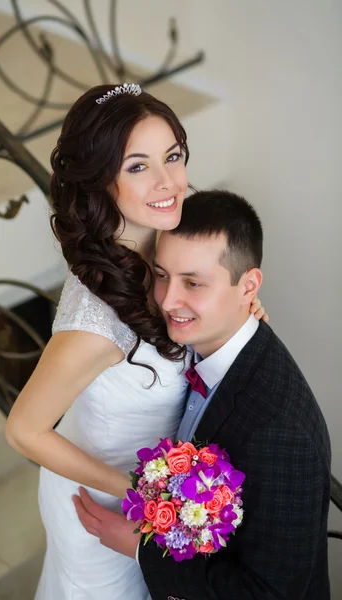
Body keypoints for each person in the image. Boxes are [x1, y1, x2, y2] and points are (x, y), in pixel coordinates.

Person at [5, 83, 265, 600]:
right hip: (102, 504)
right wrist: (139, 493)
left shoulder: (169, 236)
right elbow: (24, 430)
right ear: (102, 182)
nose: (169, 181)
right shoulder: (97, 324)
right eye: (138, 166)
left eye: (173, 156)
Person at [74, 190, 331, 600]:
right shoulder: (204, 338)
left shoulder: (281, 434)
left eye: (193, 283)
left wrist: (141, 551)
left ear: (248, 286)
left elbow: (271, 593)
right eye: (161, 275)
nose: (168, 300)